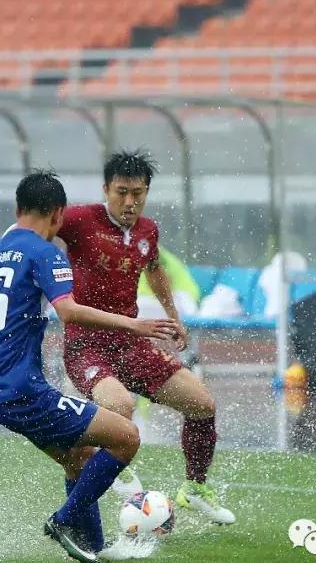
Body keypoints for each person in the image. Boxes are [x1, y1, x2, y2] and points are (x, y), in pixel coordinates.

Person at [0, 171, 180, 563]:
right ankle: (63, 521)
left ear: (17, 210)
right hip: (28, 392)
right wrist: (135, 324)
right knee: (127, 437)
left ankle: (92, 547)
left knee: (78, 457)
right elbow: (67, 310)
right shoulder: (44, 253)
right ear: (58, 215)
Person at [56, 150, 236, 525]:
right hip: (85, 344)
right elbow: (33, 232)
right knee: (120, 408)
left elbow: (154, 269)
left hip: (131, 343)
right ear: (106, 189)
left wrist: (173, 316)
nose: (129, 201)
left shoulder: (147, 231)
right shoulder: (78, 220)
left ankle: (195, 489)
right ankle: (104, 480)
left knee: (202, 404)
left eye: (138, 193)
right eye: (122, 192)